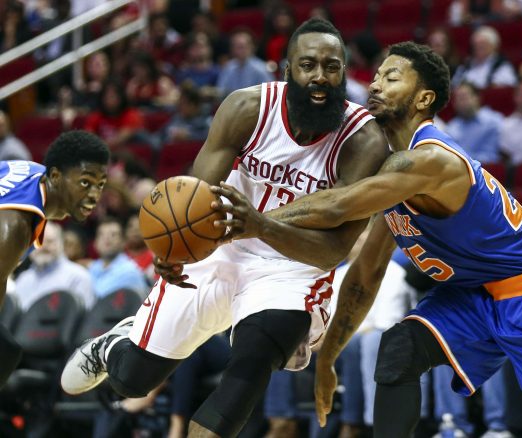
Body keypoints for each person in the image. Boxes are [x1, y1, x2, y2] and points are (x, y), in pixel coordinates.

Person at [215, 42, 522, 438]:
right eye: (377, 75)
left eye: (392, 77)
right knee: (399, 350)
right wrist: (327, 359)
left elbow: (337, 205)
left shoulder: (433, 161)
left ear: (423, 99)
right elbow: (365, 277)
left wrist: (248, 221)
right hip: (474, 296)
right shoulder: (393, 177)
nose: (376, 83)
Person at [60, 18, 389, 438]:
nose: (320, 77)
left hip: (293, 266)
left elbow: (333, 251)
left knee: (253, 363)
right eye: (308, 65)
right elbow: (193, 200)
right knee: (133, 381)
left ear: (345, 72)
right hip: (219, 242)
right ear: (287, 71)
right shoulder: (247, 108)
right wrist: (170, 252)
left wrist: (261, 226)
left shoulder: (362, 142)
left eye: (332, 66)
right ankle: (115, 344)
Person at [0, 130, 109, 388]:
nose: (94, 194)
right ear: (57, 177)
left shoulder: (34, 174)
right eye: (85, 183)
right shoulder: (14, 227)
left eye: (100, 184)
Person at [13, 222, 95, 310]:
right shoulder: (23, 279)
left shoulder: (78, 277)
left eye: (49, 241)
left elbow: (84, 319)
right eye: (38, 243)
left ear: (62, 244)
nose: (43, 247)